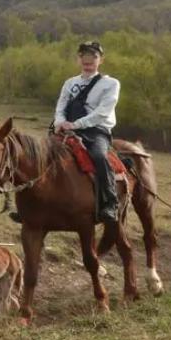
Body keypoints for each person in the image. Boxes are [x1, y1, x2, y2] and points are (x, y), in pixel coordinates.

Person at [53, 41, 121, 223]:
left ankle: (110, 203)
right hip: (66, 129)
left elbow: (102, 113)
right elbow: (61, 105)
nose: (88, 60)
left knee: (99, 156)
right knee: (40, 154)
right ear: (79, 59)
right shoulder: (69, 83)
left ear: (101, 60)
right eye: (84, 56)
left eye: (93, 56)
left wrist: (75, 125)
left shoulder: (111, 84)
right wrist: (60, 122)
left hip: (96, 131)